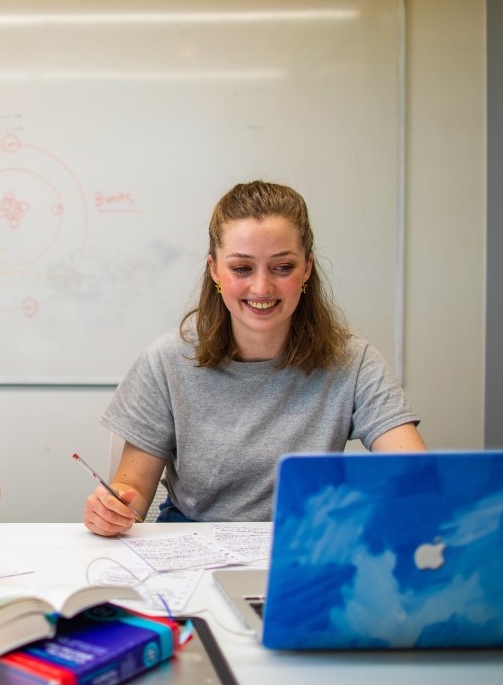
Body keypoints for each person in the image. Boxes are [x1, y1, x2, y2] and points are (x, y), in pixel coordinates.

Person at [84, 181, 426, 536]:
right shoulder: (165, 362)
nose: (262, 288)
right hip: (192, 550)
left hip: (306, 547)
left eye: (282, 267)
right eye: (242, 268)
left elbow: (416, 473)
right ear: (214, 270)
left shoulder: (353, 361)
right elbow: (133, 492)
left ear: (307, 269)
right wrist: (113, 510)